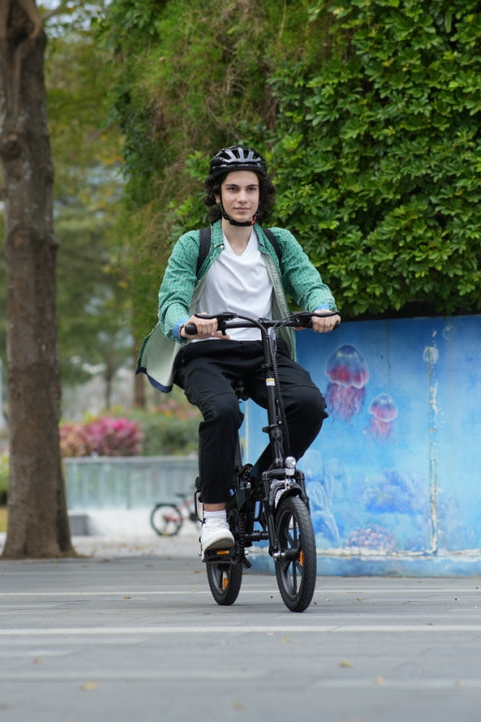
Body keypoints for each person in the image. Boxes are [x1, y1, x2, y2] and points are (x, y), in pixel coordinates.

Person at [137, 145, 341, 554]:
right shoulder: (193, 244)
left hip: (263, 352)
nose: (243, 198)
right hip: (206, 353)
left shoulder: (279, 241)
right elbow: (172, 299)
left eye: (251, 189)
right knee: (223, 412)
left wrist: (322, 307)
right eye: (233, 189)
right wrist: (187, 324)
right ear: (217, 195)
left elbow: (308, 280)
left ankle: (264, 478)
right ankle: (214, 516)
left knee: (308, 405)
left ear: (261, 195)